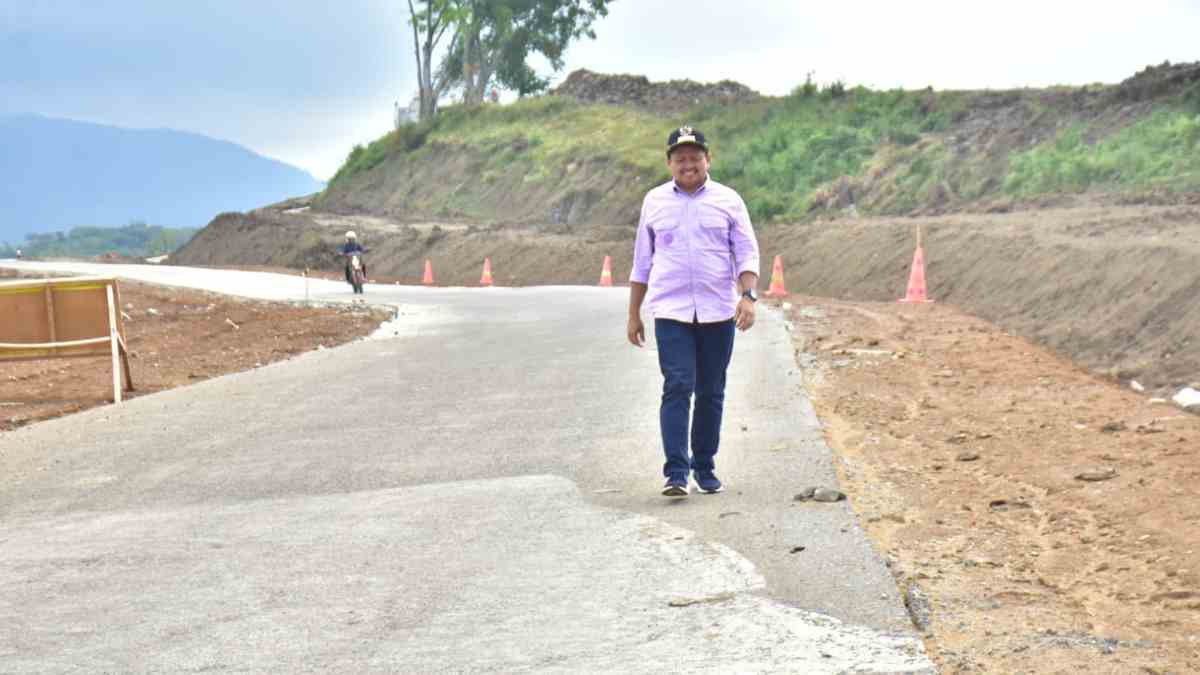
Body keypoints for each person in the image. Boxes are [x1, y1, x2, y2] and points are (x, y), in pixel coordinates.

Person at [627, 126, 761, 498]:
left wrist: (747, 297)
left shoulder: (729, 201)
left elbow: (747, 253)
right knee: (678, 384)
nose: (688, 164)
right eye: (680, 158)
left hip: (718, 311)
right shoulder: (654, 201)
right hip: (671, 310)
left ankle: (704, 465)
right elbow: (642, 262)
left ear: (707, 160)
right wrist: (634, 313)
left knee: (711, 390)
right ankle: (676, 472)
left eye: (695, 157)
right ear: (669, 162)